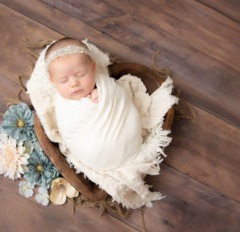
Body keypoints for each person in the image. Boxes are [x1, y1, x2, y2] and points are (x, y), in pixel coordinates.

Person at [27, 37, 178, 208]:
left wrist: (105, 95)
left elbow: (121, 97)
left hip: (127, 136)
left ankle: (127, 147)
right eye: (64, 80)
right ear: (53, 82)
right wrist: (90, 106)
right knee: (91, 145)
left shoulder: (104, 84)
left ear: (93, 68)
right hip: (95, 151)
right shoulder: (62, 105)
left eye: (80, 74)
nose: (74, 83)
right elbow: (68, 130)